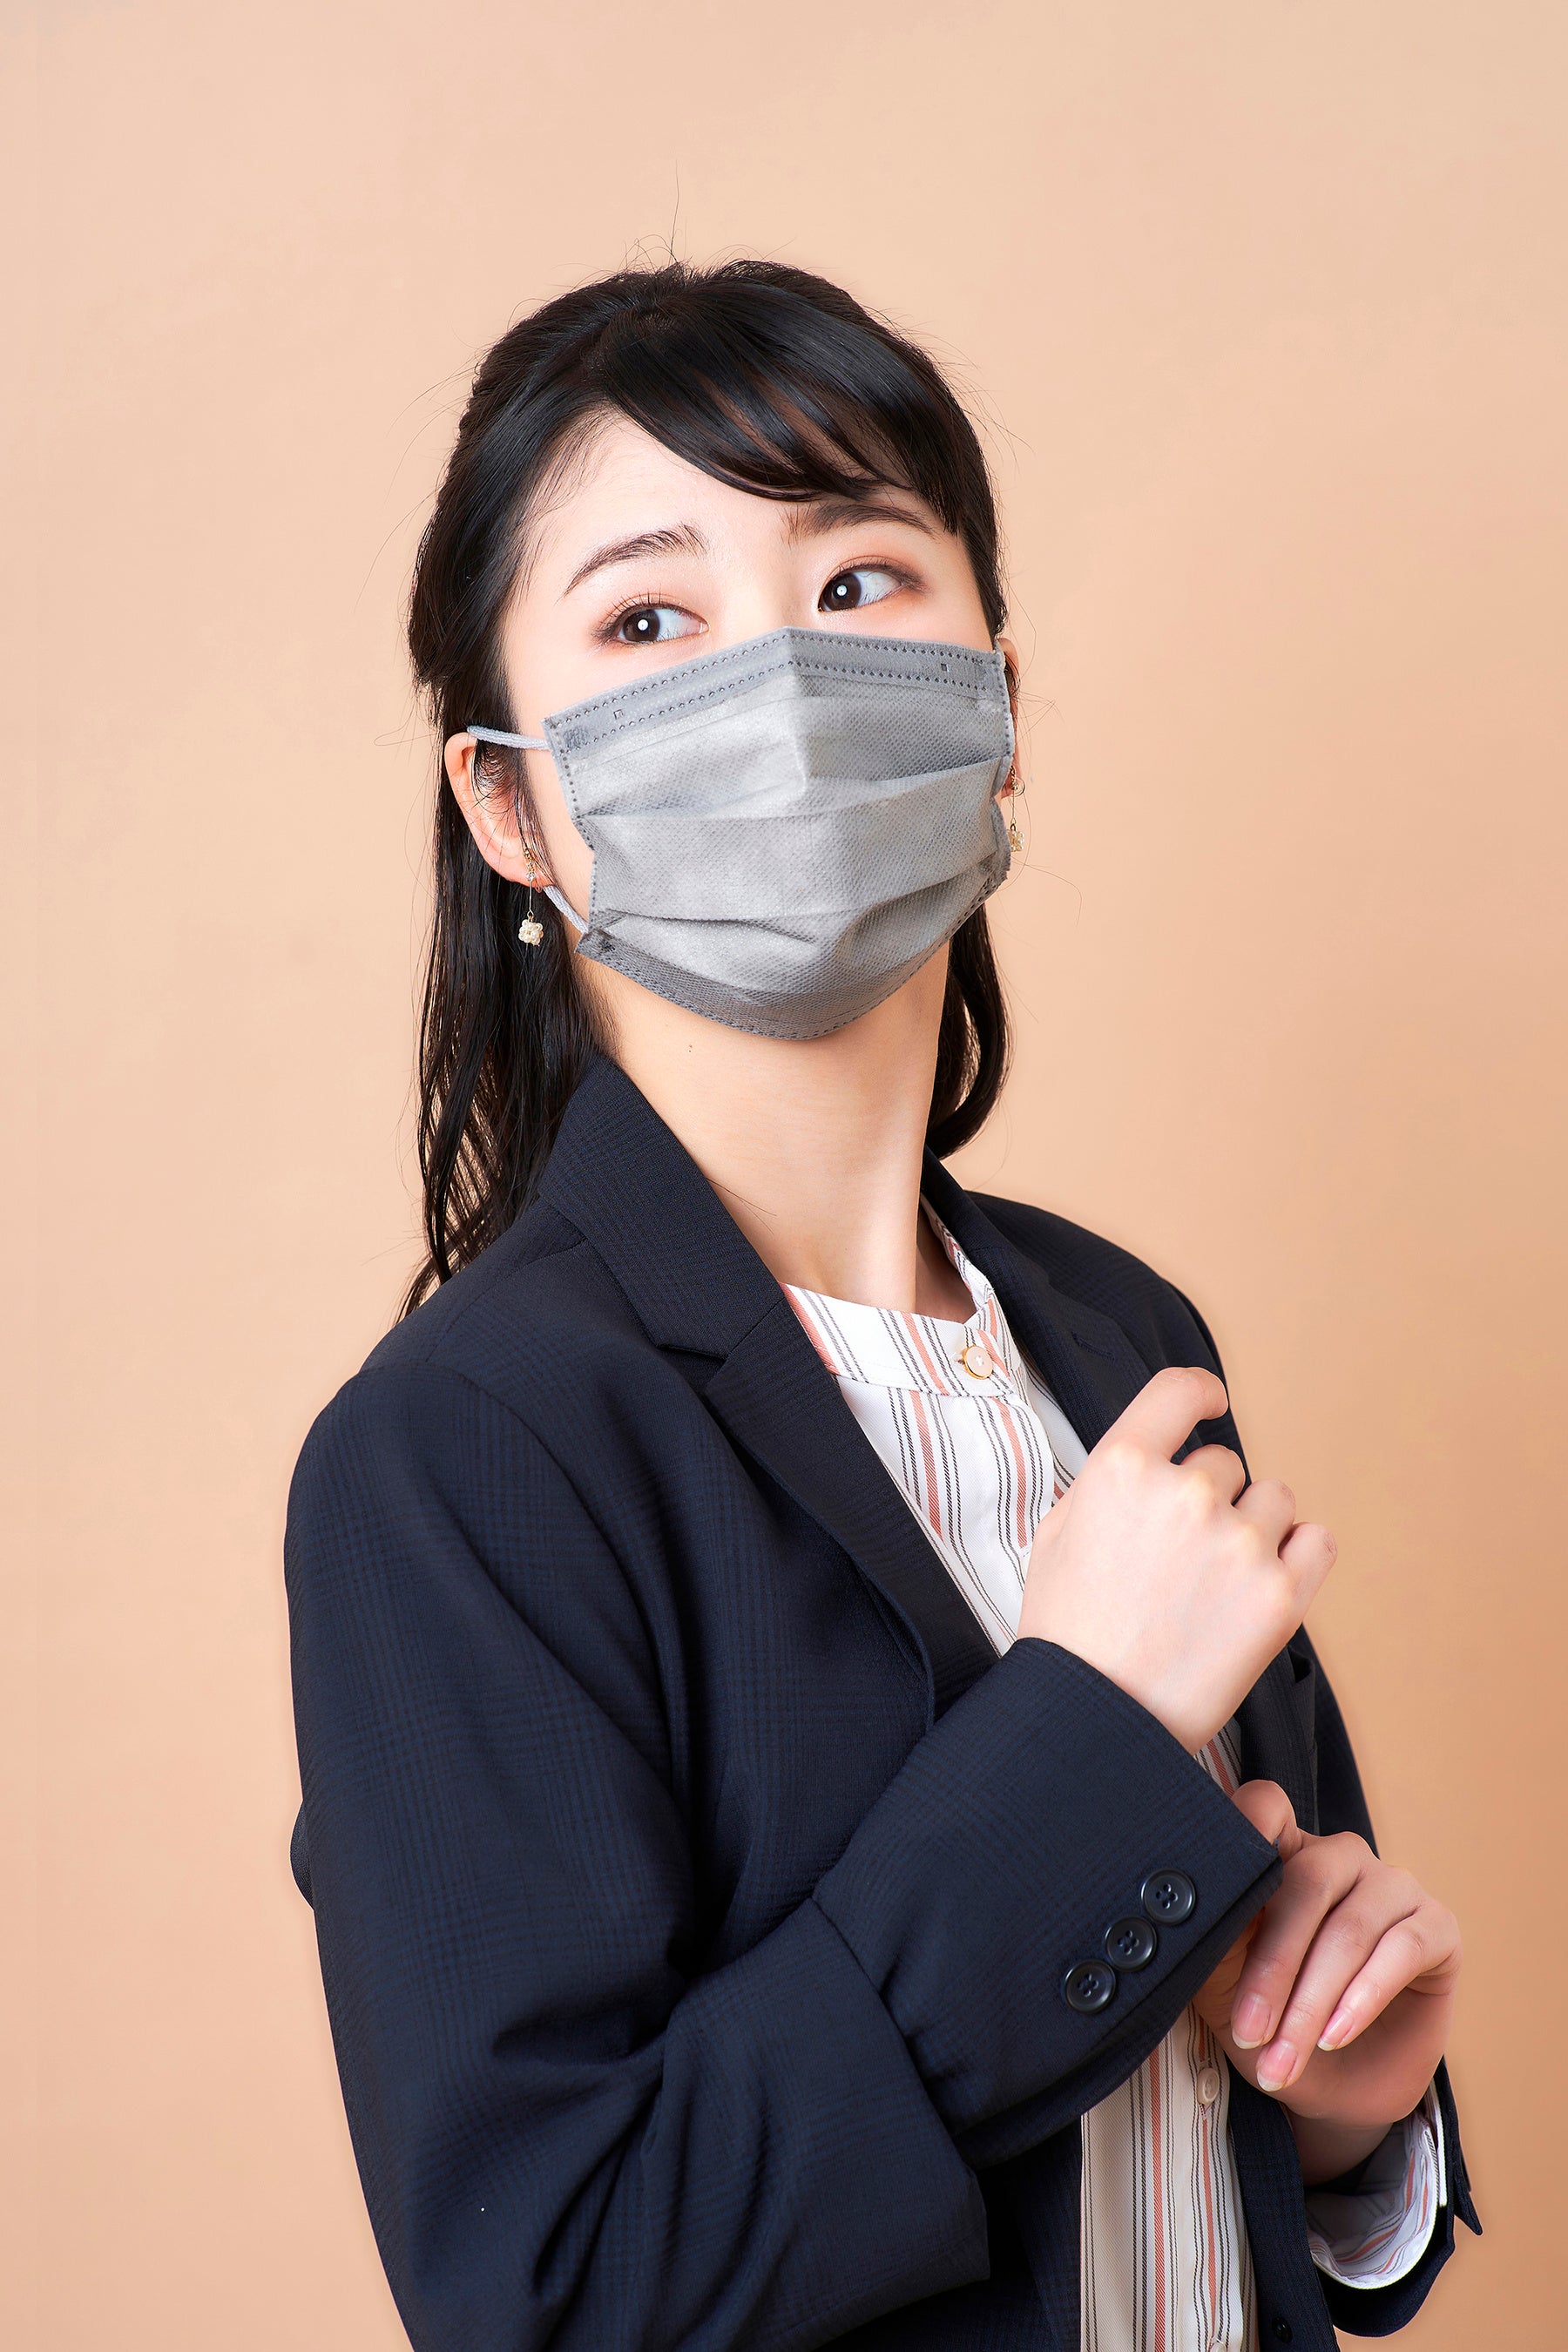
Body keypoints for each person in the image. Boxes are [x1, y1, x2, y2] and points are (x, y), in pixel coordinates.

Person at [283, 260, 1477, 2352]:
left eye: (855, 583)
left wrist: (1348, 2125)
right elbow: (558, 2286)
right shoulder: (461, 1454)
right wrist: (1086, 1739)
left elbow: (1211, 2122)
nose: (779, 679)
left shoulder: (1126, 1338)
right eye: (648, 622)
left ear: (993, 708)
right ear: (509, 804)